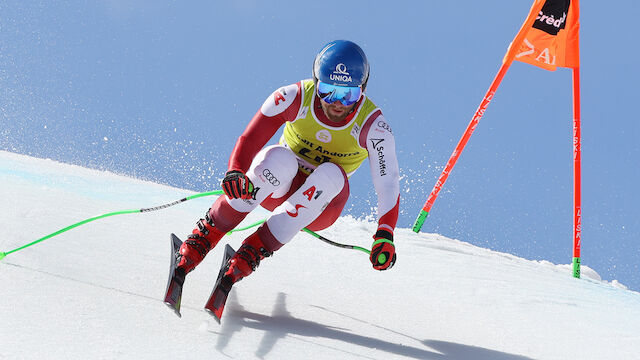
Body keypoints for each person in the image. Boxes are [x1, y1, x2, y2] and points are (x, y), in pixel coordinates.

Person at [177, 39, 400, 289]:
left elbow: (388, 184)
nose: (338, 103)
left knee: (332, 173)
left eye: (349, 94)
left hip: (321, 206)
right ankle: (205, 236)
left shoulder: (375, 127)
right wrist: (236, 171)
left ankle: (251, 252)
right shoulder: (293, 97)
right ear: (316, 83)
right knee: (279, 157)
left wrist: (385, 232)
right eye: (328, 90)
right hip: (276, 187)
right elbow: (251, 138)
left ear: (363, 89)